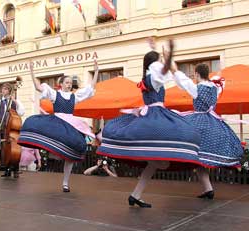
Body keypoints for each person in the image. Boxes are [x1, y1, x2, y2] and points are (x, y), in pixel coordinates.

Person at [97, 40, 201, 208]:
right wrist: (169, 57)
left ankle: (135, 195)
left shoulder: (149, 77)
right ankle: (136, 192)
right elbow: (166, 73)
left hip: (153, 115)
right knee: (181, 141)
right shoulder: (153, 78)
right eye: (159, 60)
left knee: (154, 164)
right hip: (154, 118)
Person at [18, 60, 99, 192]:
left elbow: (91, 88)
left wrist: (96, 72)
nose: (69, 84)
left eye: (70, 83)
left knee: (72, 153)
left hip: (70, 124)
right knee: (36, 125)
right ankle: (51, 153)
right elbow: (39, 87)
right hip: (57, 124)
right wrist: (32, 72)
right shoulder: (55, 94)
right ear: (60, 84)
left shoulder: (75, 96)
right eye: (66, 82)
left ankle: (65, 183)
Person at [172, 63, 243, 199]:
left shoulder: (196, 88)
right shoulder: (215, 88)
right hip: (213, 122)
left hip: (199, 123)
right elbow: (220, 83)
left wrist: (173, 68)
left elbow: (183, 80)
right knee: (200, 159)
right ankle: (208, 189)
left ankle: (208, 188)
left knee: (196, 155)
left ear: (197, 74)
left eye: (195, 75)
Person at [0, 79, 25, 178]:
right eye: (2, 89)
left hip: (12, 129)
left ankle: (16, 169)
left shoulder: (15, 101)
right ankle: (7, 169)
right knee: (4, 150)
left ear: (9, 90)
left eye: (5, 89)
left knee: (15, 150)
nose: (3, 91)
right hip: (3, 129)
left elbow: (22, 112)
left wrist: (15, 102)